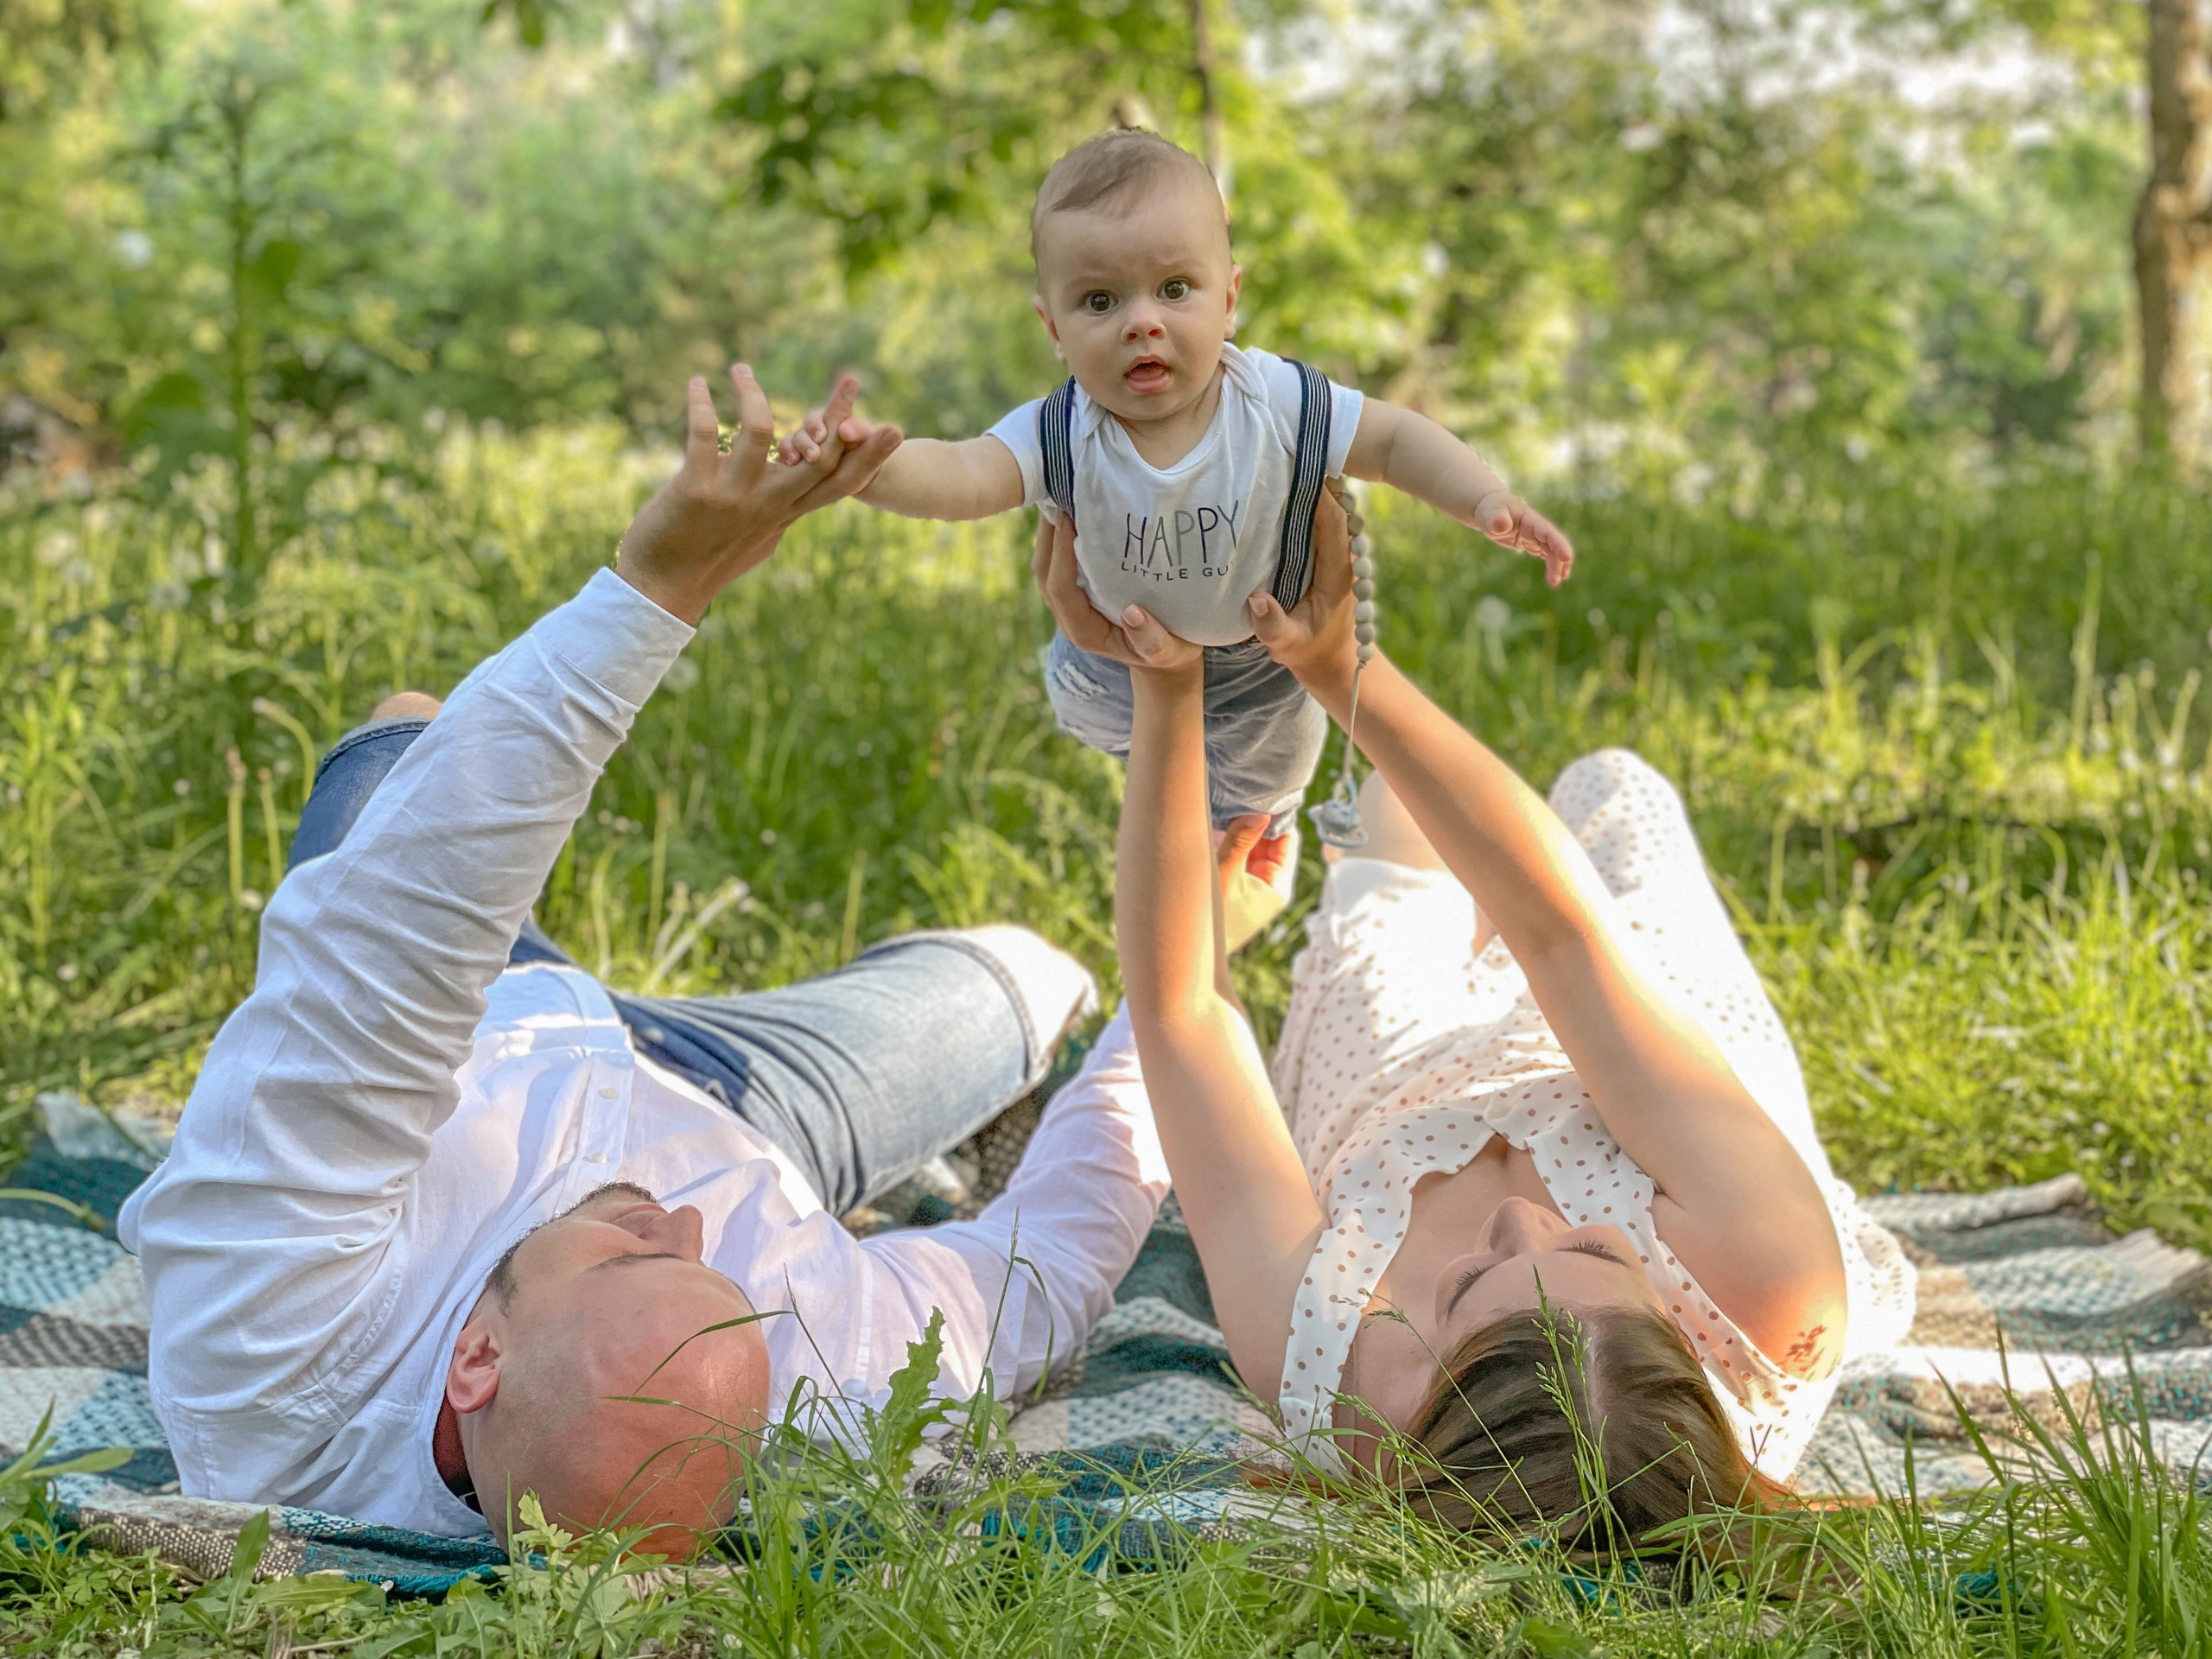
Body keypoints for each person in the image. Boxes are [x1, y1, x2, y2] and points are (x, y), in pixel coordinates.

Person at [119, 368, 1175, 1558]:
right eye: (719, 1283)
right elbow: (1045, 1266)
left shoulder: (269, 1341)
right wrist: (1182, 987)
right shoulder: (825, 1363)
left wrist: (660, 583)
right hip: (740, 1105)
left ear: (478, 1359)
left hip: (471, 1024)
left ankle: (402, 744)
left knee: (408, 746)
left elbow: (410, 919)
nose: (680, 1223)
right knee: (1034, 977)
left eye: (637, 1253)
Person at [1039, 491, 1915, 1545]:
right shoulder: (1764, 1284)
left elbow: (1182, 1016)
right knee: (1616, 788)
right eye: (1592, 1255)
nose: (1526, 1222)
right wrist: (1340, 669)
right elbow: (1561, 937)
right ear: (1683, 1350)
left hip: (1390, 1094)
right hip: (1658, 1107)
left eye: (1465, 1285)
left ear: (1414, 1423)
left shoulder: (1331, 1367)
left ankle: (1371, 847)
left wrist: (1164, 683)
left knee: (1385, 833)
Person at [782, 127, 1573, 846]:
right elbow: (962, 474)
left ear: (1228, 300)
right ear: (1054, 330)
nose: (1141, 322)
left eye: (1174, 289)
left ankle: (1251, 859)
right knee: (1160, 820)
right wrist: (871, 466)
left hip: (1267, 672)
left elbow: (1396, 440)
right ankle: (1168, 846)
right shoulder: (1061, 429)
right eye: (1099, 301)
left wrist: (1483, 498)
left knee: (1253, 826)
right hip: (1111, 668)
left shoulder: (1278, 400)